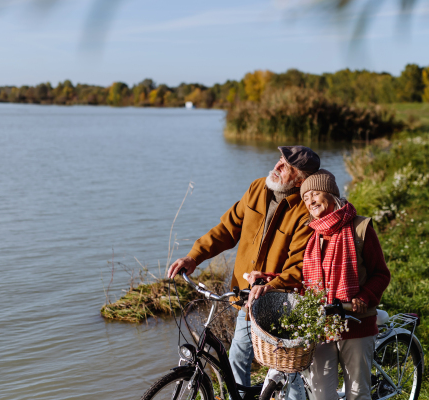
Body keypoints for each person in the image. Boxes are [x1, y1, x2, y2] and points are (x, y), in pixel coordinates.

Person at [167, 146, 321, 400]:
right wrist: (194, 256)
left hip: (280, 301)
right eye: (280, 160)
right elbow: (227, 229)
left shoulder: (305, 210)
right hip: (246, 296)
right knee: (237, 355)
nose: (278, 166)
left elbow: (300, 265)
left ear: (300, 179)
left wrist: (271, 285)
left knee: (285, 368)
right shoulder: (257, 188)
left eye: (287, 166)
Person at [299, 169, 391, 400]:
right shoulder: (312, 235)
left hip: (356, 322)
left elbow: (381, 273)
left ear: (331, 195)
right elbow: (306, 282)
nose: (310, 201)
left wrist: (364, 296)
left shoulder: (360, 228)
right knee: (321, 395)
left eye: (315, 193)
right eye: (305, 197)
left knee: (358, 393)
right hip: (321, 325)